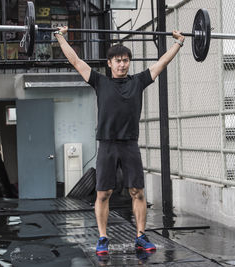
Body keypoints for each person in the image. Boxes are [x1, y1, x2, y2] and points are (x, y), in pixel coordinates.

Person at [54, 26, 185, 255]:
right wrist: (59, 36)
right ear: (109, 63)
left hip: (130, 144)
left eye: (125, 60)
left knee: (138, 191)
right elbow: (75, 61)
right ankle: (103, 238)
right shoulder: (99, 82)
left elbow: (161, 63)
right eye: (118, 60)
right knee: (103, 193)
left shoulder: (139, 81)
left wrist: (179, 43)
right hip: (106, 144)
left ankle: (141, 236)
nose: (122, 64)